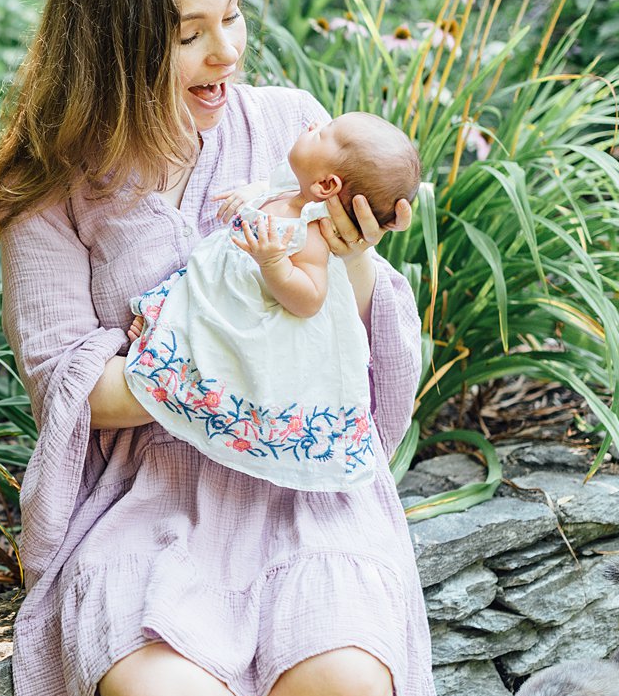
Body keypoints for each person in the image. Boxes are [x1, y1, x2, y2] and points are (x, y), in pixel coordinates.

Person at [0, 0, 438, 696]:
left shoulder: (292, 127)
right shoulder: (54, 191)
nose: (227, 52)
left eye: (233, 18)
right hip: (150, 493)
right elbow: (72, 385)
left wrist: (355, 258)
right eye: (190, 34)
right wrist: (226, 360)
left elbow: (346, 337)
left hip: (300, 481)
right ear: (115, 51)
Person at [125, 112, 422, 493]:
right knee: (197, 307)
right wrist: (253, 194)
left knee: (221, 339)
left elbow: (310, 298)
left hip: (251, 305)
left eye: (323, 134)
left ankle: (186, 371)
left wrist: (275, 265)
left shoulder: (311, 234)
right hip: (220, 287)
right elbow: (272, 192)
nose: (313, 125)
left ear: (327, 184)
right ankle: (164, 328)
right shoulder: (289, 190)